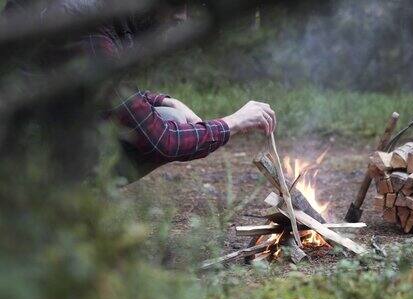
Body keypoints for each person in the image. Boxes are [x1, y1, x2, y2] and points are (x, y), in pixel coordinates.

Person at [3, 0, 277, 180]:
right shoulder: (86, 31)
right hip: (21, 155)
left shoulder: (91, 13)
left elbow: (112, 93)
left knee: (168, 114)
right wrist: (234, 122)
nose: (177, 21)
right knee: (165, 123)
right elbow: (159, 140)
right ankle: (55, 212)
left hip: (32, 134)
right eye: (175, 13)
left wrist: (167, 100)